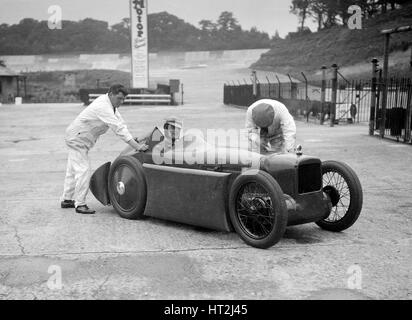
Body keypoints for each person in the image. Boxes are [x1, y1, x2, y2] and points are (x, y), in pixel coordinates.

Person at [61, 84, 148, 214]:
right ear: (111, 94)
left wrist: (133, 139)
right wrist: (137, 147)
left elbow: (121, 123)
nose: (121, 102)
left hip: (79, 138)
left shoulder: (111, 106)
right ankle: (80, 204)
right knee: (83, 171)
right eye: (119, 98)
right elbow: (117, 129)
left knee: (72, 171)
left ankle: (67, 200)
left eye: (123, 99)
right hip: (77, 139)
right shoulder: (103, 106)